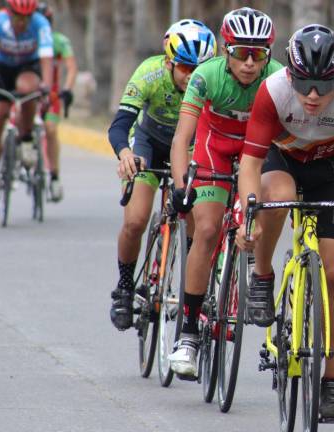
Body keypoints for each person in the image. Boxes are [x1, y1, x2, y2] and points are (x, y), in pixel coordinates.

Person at [236, 24, 334, 420]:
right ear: (291, 74)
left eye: (323, 86)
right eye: (304, 84)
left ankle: (332, 382)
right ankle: (265, 275)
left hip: (328, 168)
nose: (313, 95)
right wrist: (249, 215)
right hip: (280, 161)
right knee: (280, 197)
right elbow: (250, 165)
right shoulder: (272, 91)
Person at [166, 8, 283, 378]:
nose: (250, 63)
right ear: (224, 50)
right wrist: (182, 185)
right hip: (213, 148)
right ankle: (187, 333)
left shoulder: (278, 78)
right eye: (241, 53)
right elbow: (183, 137)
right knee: (205, 229)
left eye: (258, 54)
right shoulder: (205, 76)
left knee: (268, 201)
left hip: (257, 150)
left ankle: (251, 263)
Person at [108, 20, 216, 331]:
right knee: (136, 219)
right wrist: (125, 154)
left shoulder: (209, 80)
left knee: (197, 212)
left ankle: (196, 287)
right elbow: (120, 123)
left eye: (200, 67)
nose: (192, 75)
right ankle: (125, 287)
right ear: (168, 61)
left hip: (192, 145)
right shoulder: (149, 73)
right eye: (184, 67)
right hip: (149, 143)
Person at [0, 0, 53, 210]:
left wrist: (47, 86)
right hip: (0, 68)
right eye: (17, 17)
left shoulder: (40, 23)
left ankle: (26, 137)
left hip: (27, 67)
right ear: (9, 12)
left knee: (28, 90)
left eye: (26, 18)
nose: (22, 22)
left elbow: (47, 58)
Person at [36, 2, 76, 202]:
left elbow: (71, 67)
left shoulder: (59, 41)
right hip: (26, 93)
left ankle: (54, 176)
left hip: (50, 96)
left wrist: (67, 89)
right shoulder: (24, 40)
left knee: (50, 130)